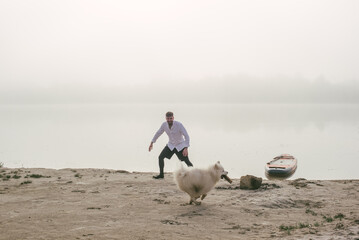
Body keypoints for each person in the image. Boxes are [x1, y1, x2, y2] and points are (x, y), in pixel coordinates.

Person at [149, 111, 193, 179]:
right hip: (171, 145)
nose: (169, 120)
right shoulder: (164, 125)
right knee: (160, 157)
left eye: (170, 118)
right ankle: (161, 175)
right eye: (168, 118)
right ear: (166, 118)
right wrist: (152, 142)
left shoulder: (179, 125)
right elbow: (158, 133)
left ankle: (194, 175)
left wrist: (186, 148)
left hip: (180, 146)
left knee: (187, 161)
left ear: (173, 118)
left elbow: (187, 136)